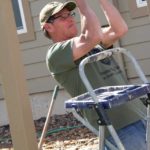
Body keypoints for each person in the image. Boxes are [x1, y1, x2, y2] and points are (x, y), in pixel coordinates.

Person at [39, 0, 147, 149]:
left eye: (70, 14)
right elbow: (92, 36)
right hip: (119, 129)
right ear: (48, 26)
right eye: (62, 17)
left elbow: (119, 29)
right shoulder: (56, 54)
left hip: (140, 114)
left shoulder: (91, 43)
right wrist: (82, 4)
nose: (70, 18)